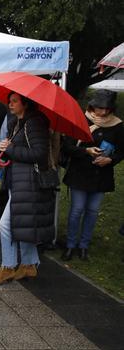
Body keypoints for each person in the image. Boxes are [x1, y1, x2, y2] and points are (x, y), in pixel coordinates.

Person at [0, 92, 54, 285]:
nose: (10, 104)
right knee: (23, 223)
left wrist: (10, 149)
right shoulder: (18, 122)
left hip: (29, 183)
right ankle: (29, 264)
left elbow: (39, 153)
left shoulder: (35, 123)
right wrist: (2, 148)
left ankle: (8, 267)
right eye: (10, 101)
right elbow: (10, 149)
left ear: (26, 103)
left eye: (14, 101)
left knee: (7, 224)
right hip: (18, 181)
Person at [61, 89, 123, 261]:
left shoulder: (118, 125)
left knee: (93, 211)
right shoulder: (81, 119)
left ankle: (84, 246)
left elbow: (121, 151)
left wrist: (110, 160)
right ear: (92, 106)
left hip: (100, 176)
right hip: (80, 173)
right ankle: (70, 245)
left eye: (106, 109)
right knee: (77, 210)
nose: (102, 112)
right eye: (99, 108)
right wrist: (86, 151)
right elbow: (67, 146)